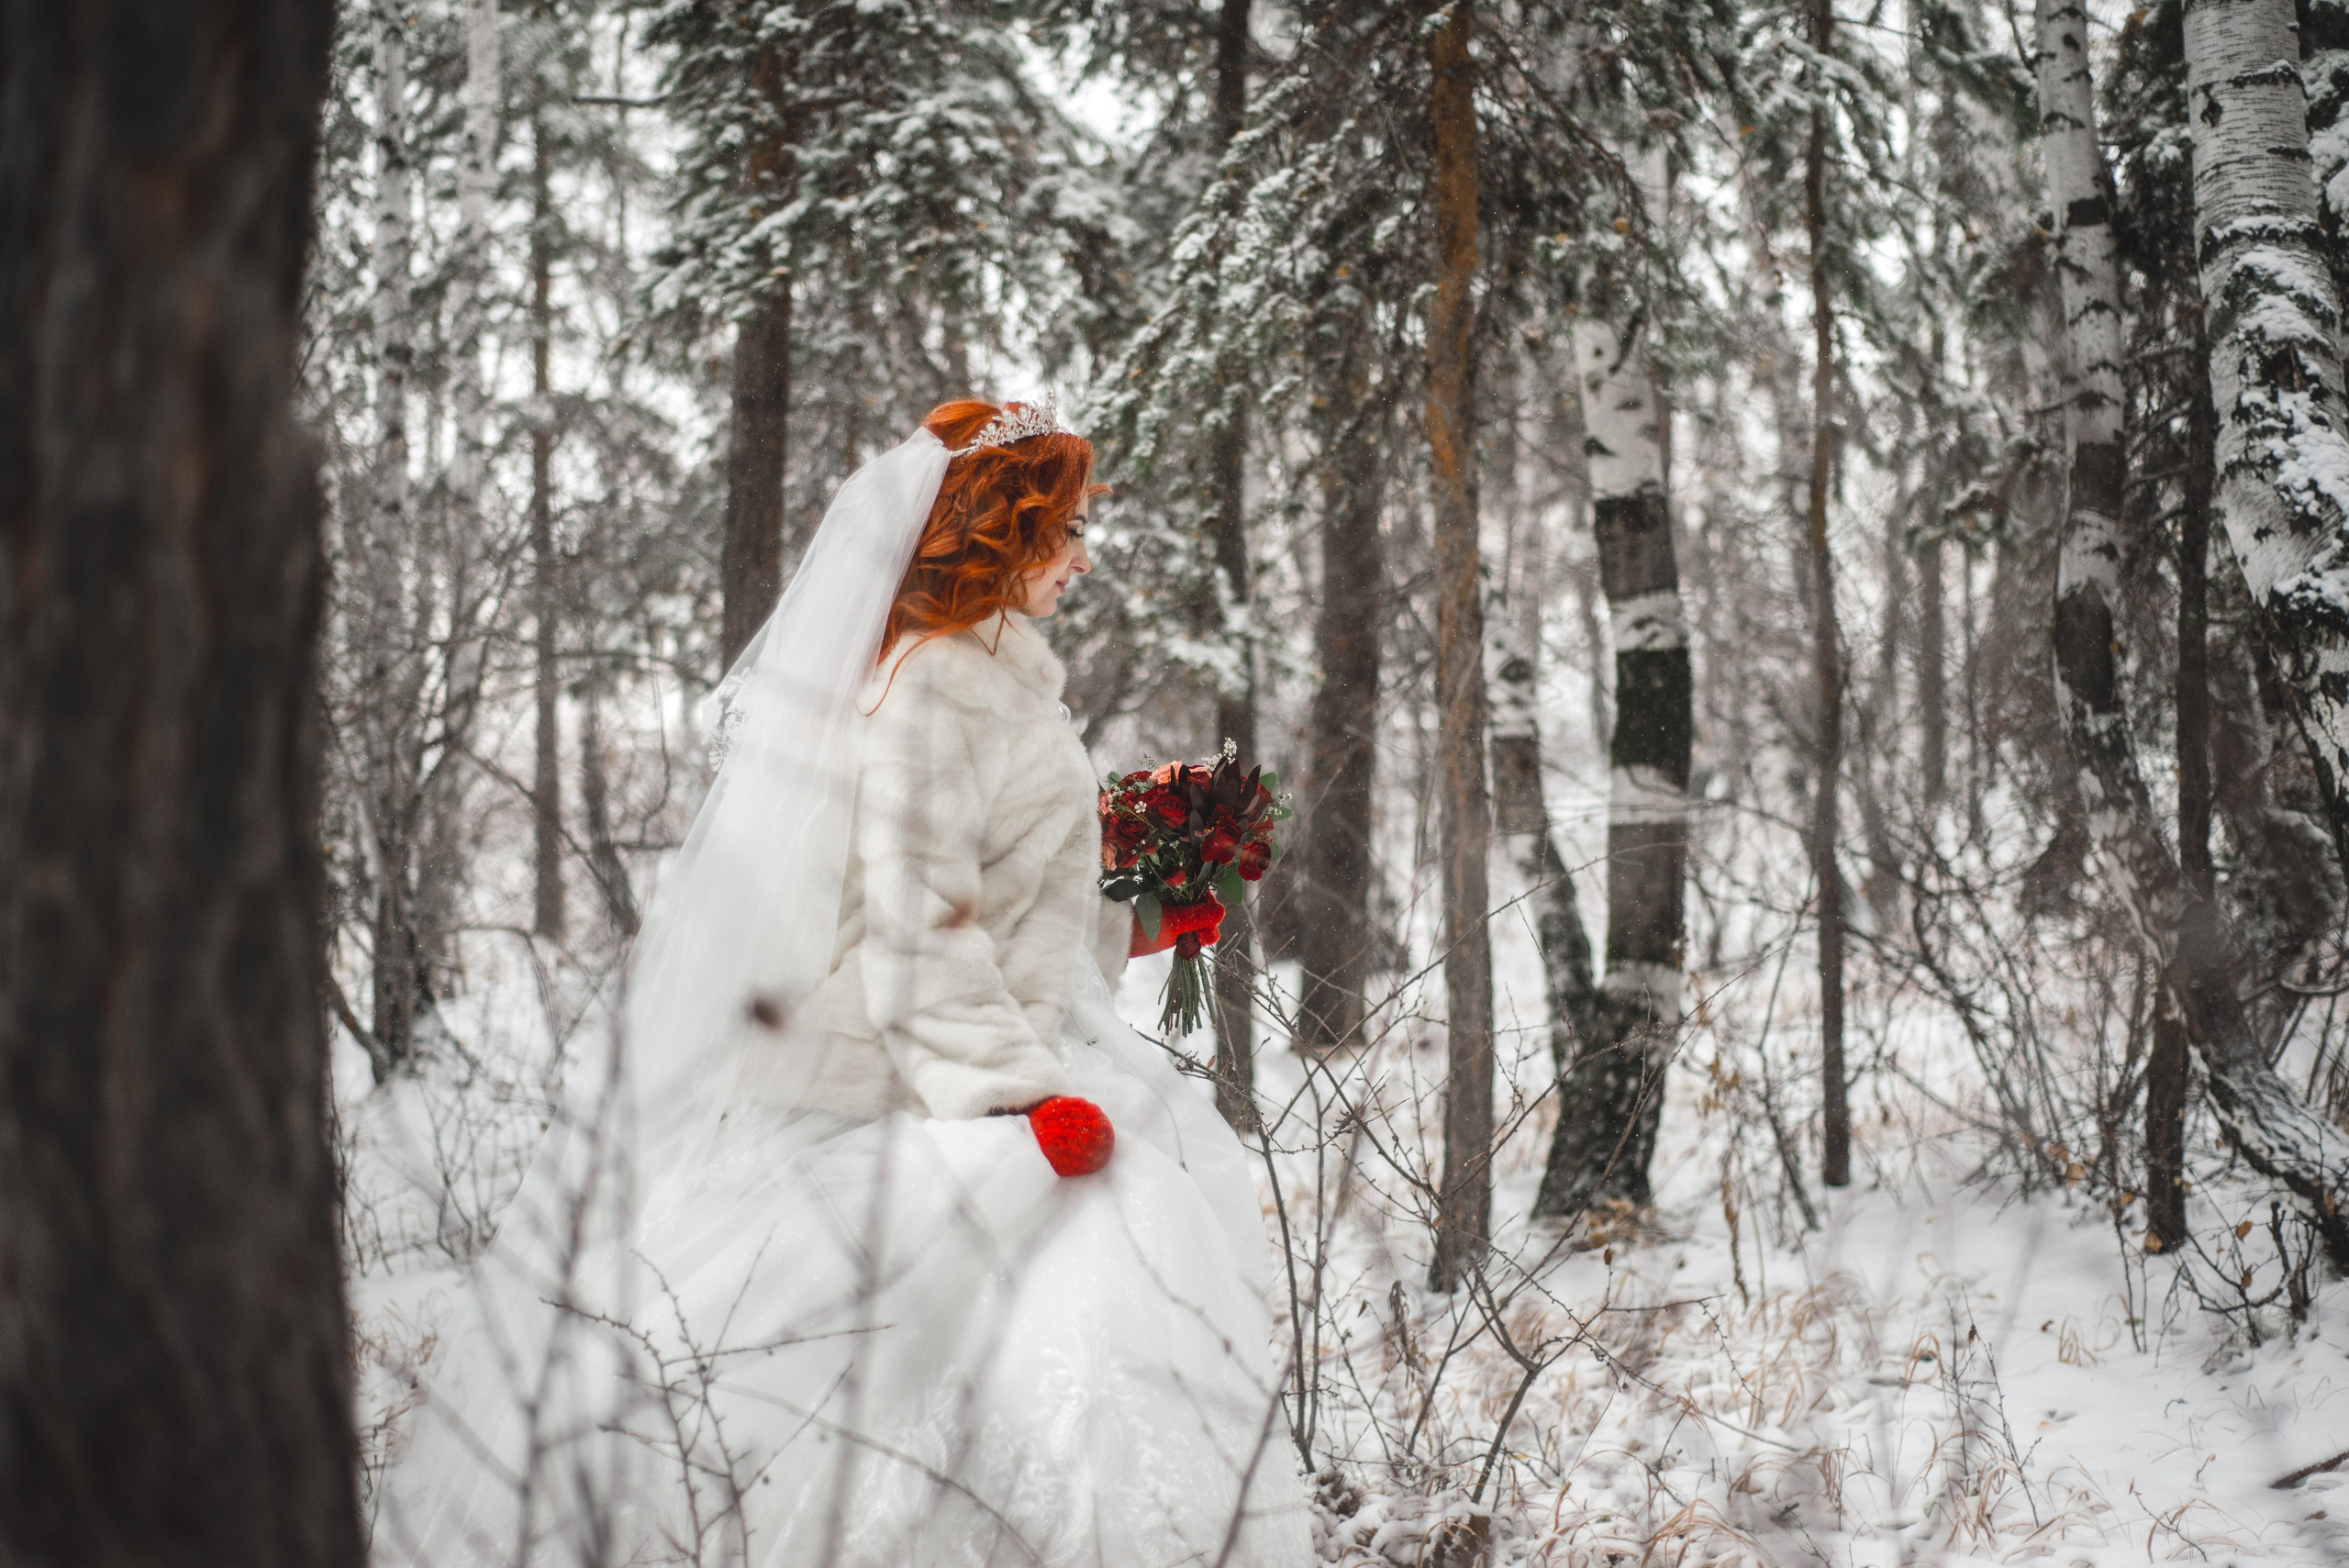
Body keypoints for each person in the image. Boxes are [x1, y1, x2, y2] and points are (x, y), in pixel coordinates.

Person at [379, 399, 1311, 1568]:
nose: (1082, 558)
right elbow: (919, 931)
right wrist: (1012, 1098)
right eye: (1063, 532)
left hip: (978, 1057)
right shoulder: (931, 686)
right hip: (916, 1083)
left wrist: (1143, 912)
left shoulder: (993, 675)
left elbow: (998, 905)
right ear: (996, 536)